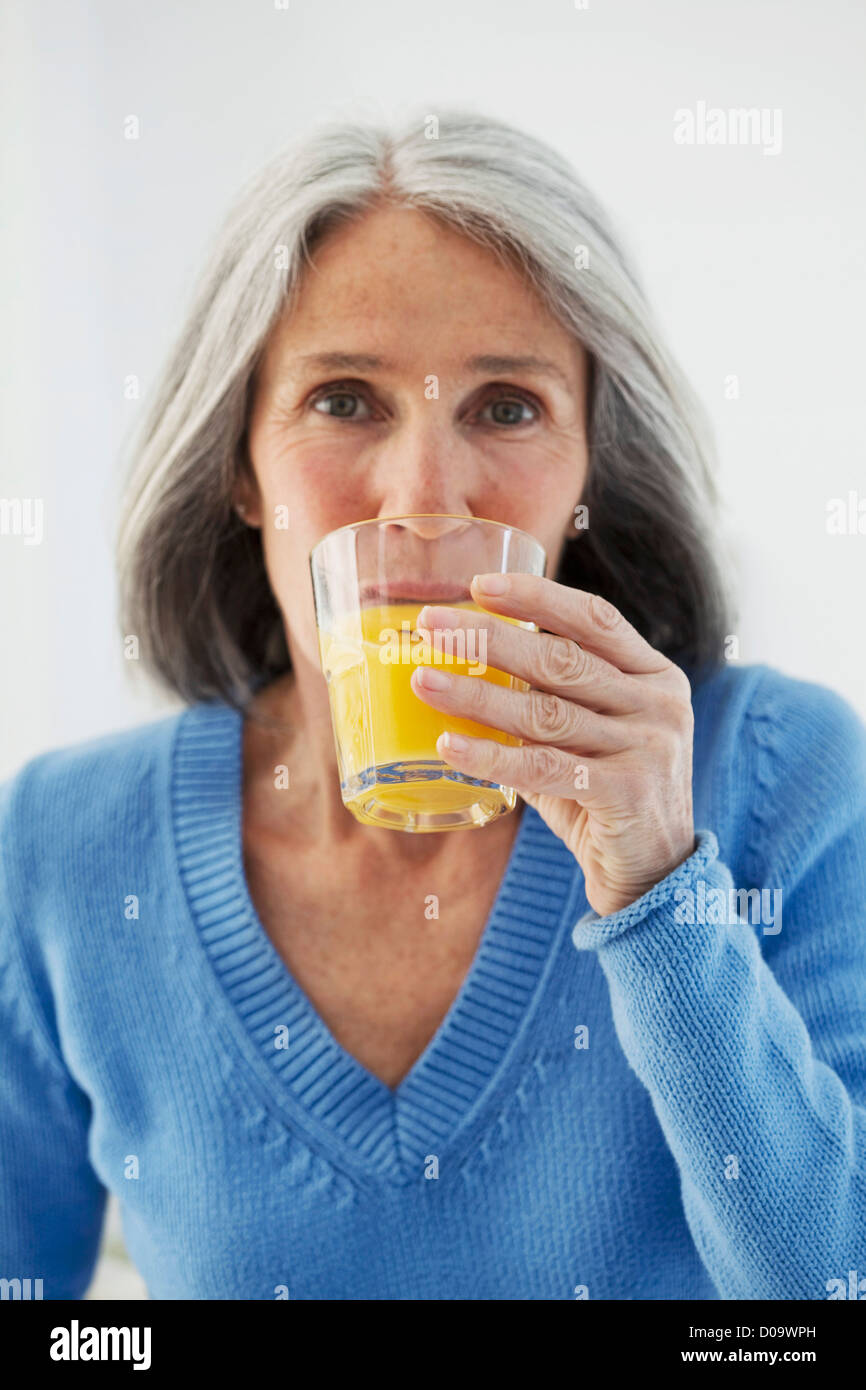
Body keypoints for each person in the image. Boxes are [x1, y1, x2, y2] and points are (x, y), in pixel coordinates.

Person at [1, 107, 864, 1301]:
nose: (421, 494)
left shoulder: (779, 770)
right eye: (345, 399)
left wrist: (659, 890)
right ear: (239, 467)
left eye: (505, 406)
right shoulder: (59, 844)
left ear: (582, 483)